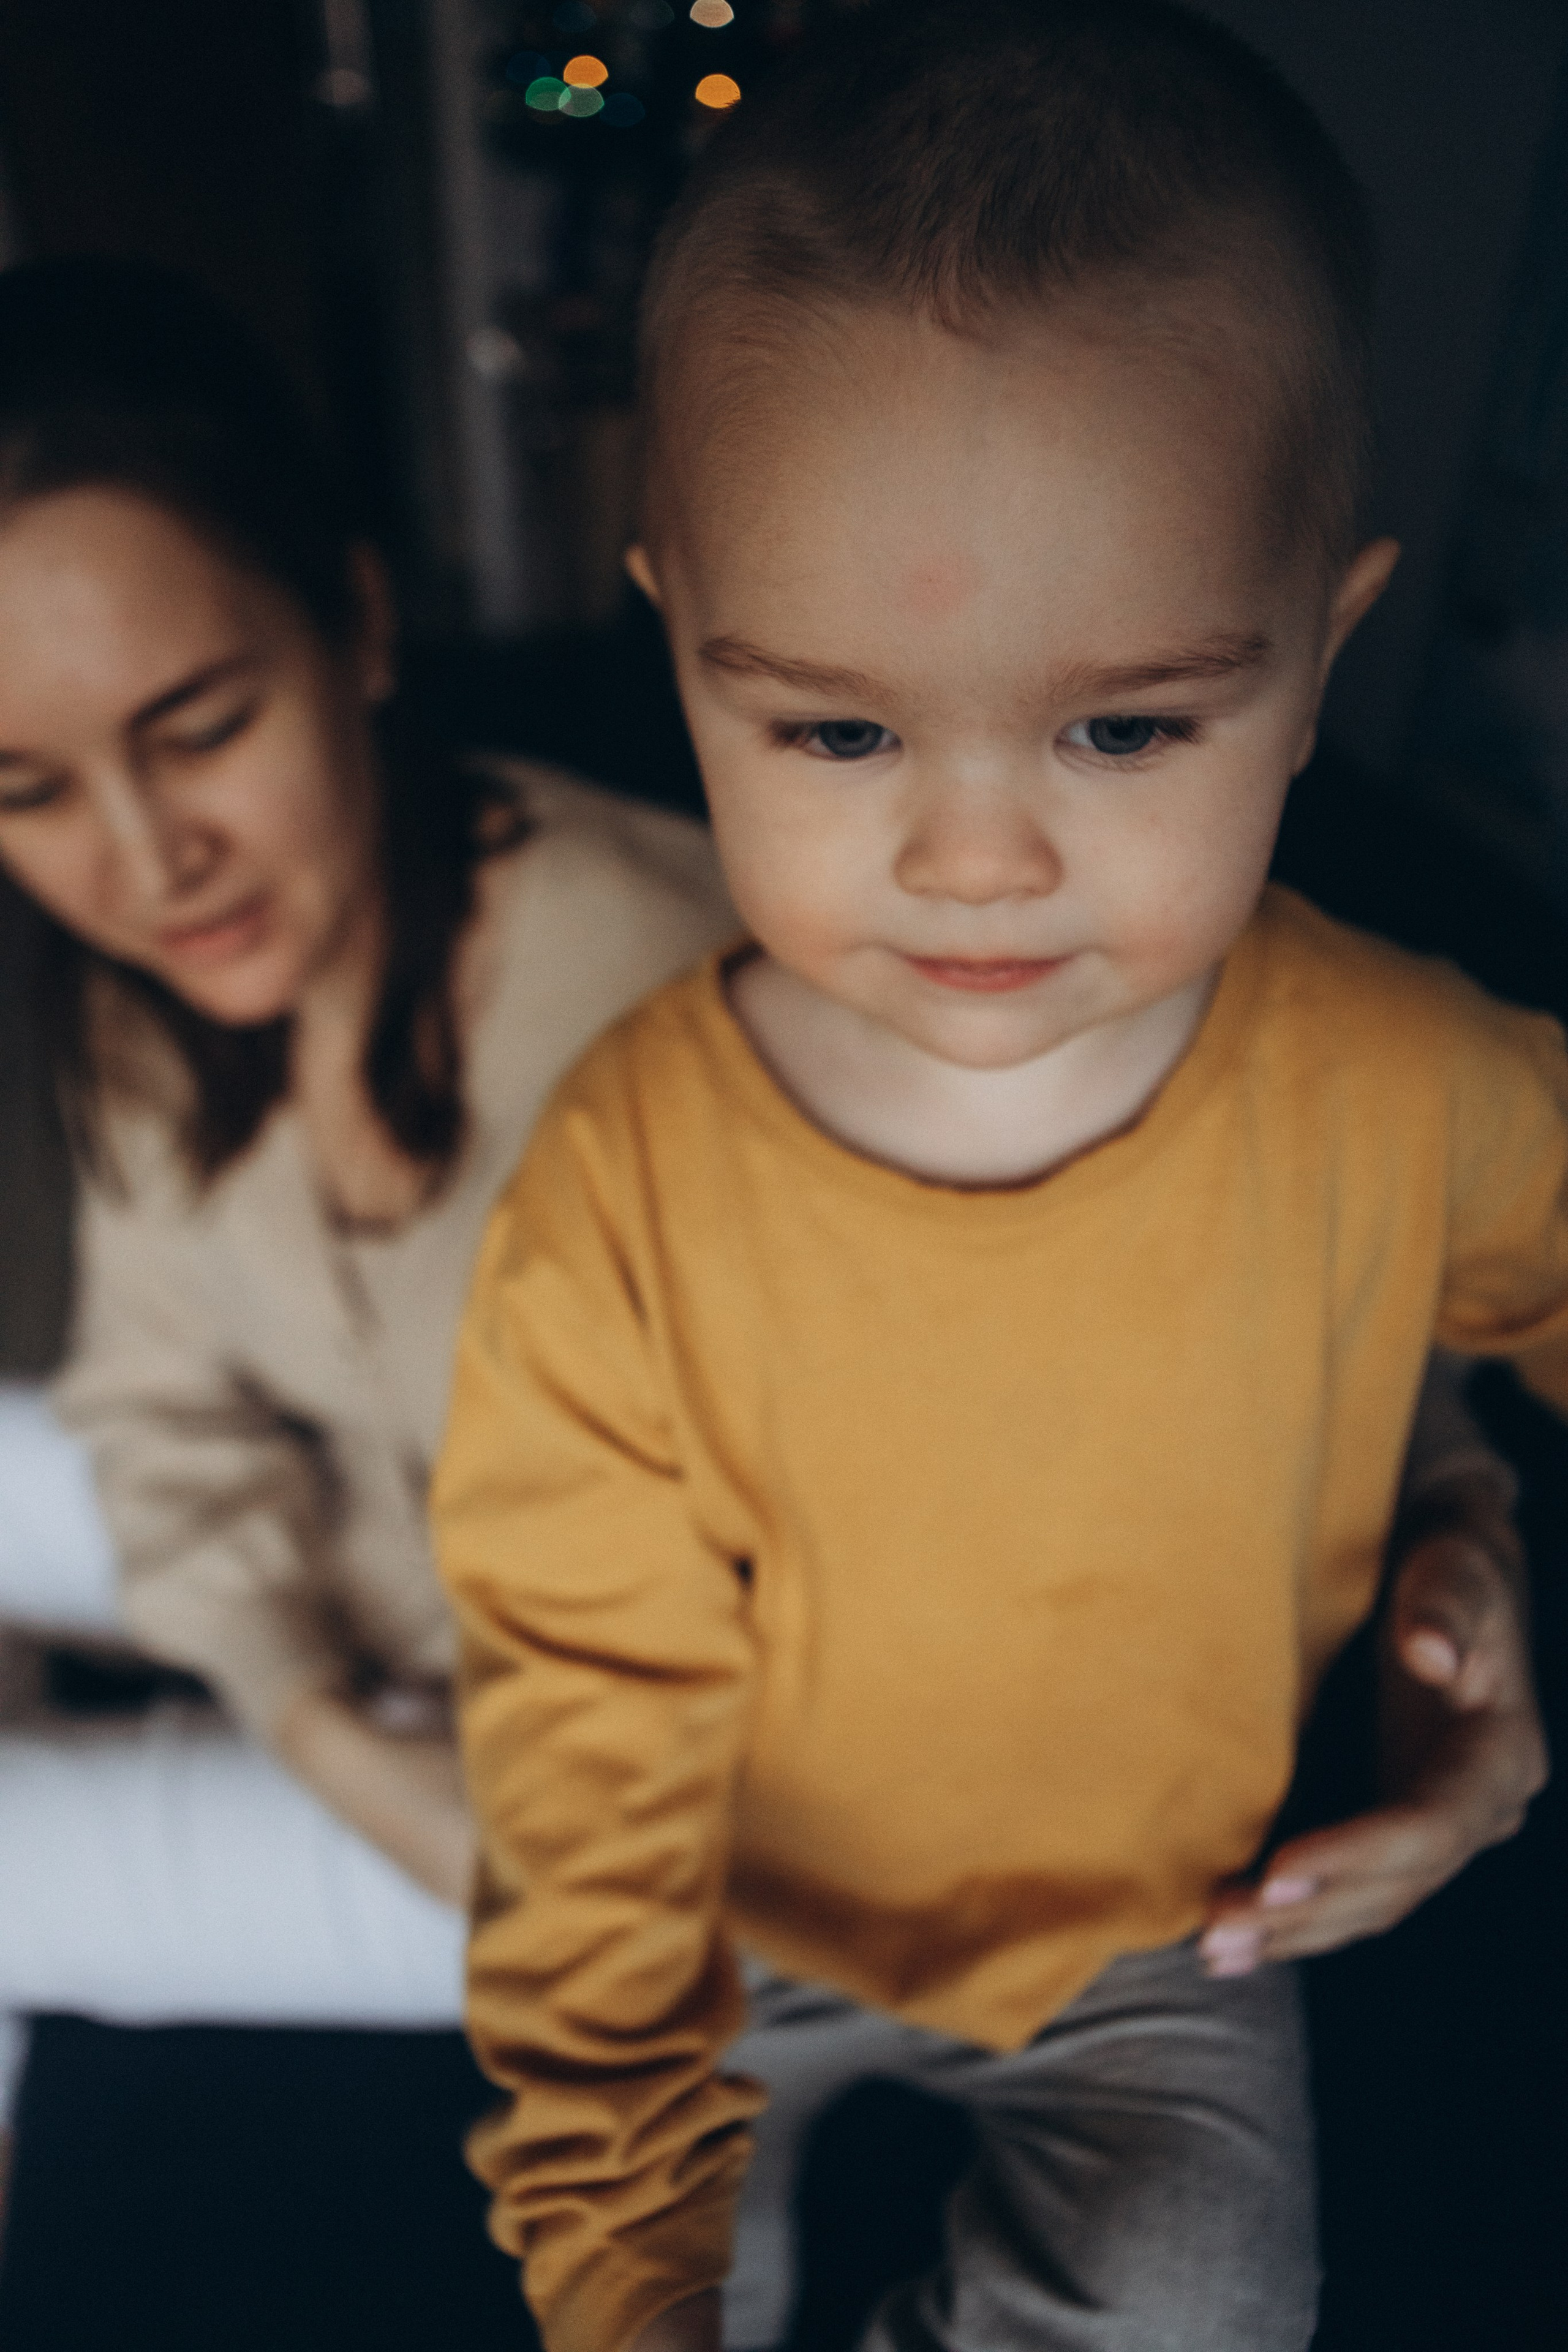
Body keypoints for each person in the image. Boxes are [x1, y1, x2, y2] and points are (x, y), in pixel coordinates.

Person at [431, 9, 1558, 2351]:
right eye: (834, 728)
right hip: (729, 1912)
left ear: (1320, 658)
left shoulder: (1405, 1075)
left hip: (1164, 1923)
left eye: (1127, 726)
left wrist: (1471, 1564)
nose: (971, 859)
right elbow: (582, 1752)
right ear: (683, 660)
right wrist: (624, 2268)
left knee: (1200, 2305)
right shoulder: (627, 1197)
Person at [0, 255, 738, 2108]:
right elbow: (150, 1403)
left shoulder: (648, 1013)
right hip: (391, 1616)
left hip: (654, 1823)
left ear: (361, 626)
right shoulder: (152, 1015)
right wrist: (313, 1721)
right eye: (30, 790)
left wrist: (390, 1769)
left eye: (200, 730)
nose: (150, 862)